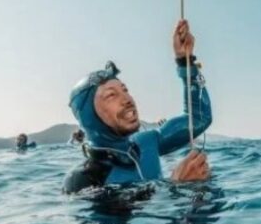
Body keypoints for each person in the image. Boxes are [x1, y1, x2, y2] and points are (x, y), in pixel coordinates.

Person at [63, 20, 212, 193]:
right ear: (89, 116)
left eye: (125, 90)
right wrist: (176, 184)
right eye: (111, 95)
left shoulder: (147, 142)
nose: (127, 99)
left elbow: (200, 117)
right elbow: (143, 219)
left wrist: (185, 62)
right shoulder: (83, 181)